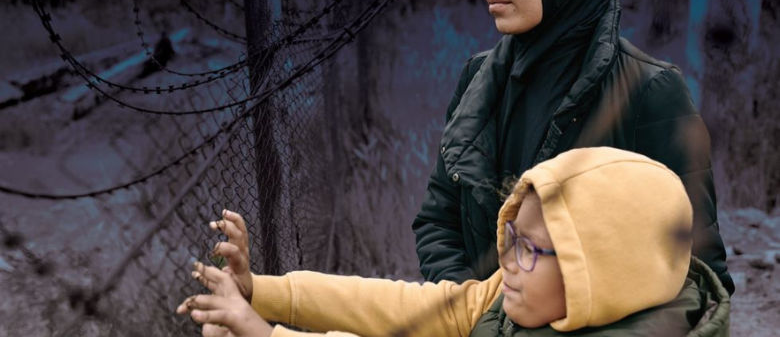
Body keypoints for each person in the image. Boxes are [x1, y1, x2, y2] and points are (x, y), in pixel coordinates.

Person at [411, 0, 734, 294]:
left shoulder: (649, 92)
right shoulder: (478, 80)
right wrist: (477, 309)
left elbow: (699, 275)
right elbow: (438, 221)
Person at [177, 147, 730, 337]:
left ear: (601, 273)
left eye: (531, 249)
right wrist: (264, 293)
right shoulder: (529, 302)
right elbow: (415, 309)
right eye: (510, 236)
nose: (508, 261)